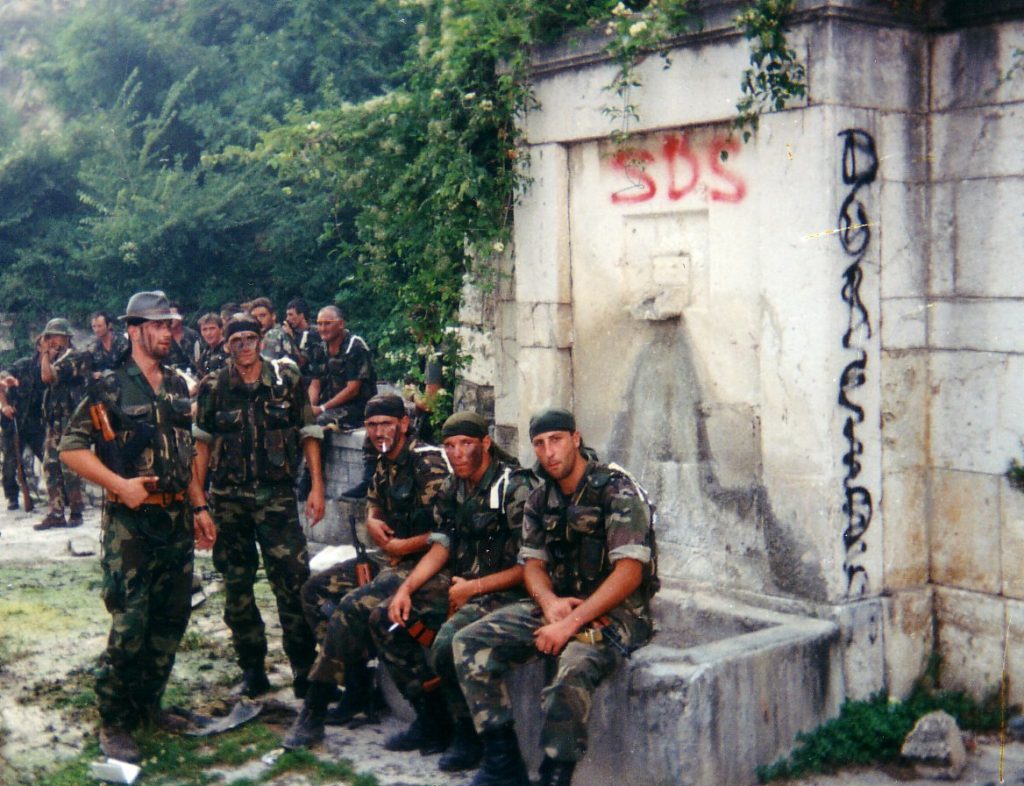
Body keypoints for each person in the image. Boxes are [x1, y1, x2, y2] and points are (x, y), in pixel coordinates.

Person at [452, 408, 658, 786]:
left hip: (616, 614)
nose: (548, 452)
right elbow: (532, 564)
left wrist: (570, 624)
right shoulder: (539, 497)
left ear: (575, 439)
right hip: (560, 605)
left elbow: (630, 573)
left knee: (571, 669)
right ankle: (503, 763)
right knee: (469, 641)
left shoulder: (616, 490)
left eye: (556, 440)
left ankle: (555, 775)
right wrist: (549, 604)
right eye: (539, 443)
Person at [59, 290, 211, 763]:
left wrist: (200, 507)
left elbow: (185, 453)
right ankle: (115, 719)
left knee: (171, 617)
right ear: (134, 330)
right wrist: (119, 485)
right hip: (130, 525)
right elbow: (70, 448)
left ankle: (149, 705)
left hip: (176, 519)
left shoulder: (177, 384)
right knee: (131, 624)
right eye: (159, 325)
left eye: (172, 324)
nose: (169, 332)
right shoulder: (109, 387)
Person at [283, 393, 449, 750]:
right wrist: (373, 520)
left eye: (386, 423)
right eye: (372, 425)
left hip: (427, 566)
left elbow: (447, 532)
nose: (378, 432)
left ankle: (314, 708)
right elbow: (374, 502)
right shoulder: (383, 459)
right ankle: (357, 686)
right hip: (392, 560)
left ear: (404, 423)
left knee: (352, 607)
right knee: (315, 591)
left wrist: (402, 547)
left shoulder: (427, 463)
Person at [382, 411, 537, 772]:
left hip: (509, 591)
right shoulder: (454, 487)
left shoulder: (514, 488)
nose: (457, 453)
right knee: (387, 619)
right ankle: (432, 719)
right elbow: (442, 545)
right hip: (464, 585)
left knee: (448, 643)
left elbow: (531, 566)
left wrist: (474, 588)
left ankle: (468, 732)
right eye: (450, 446)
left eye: (466, 444)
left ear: (485, 443)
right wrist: (406, 589)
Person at [190, 313, 326, 699]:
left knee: (293, 584)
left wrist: (317, 487)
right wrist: (198, 504)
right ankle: (252, 669)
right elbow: (201, 445)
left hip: (277, 500)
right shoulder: (214, 387)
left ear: (261, 340)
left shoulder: (287, 380)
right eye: (236, 341)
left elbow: (309, 432)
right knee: (237, 587)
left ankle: (304, 669)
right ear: (227, 346)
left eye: (250, 338)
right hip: (229, 501)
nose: (244, 346)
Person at [308, 305, 377, 498]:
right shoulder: (320, 347)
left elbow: (353, 389)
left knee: (322, 422)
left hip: (359, 406)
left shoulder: (355, 347)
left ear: (341, 324)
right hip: (332, 405)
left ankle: (311, 478)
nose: (322, 328)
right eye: (319, 324)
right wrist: (310, 407)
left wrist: (322, 408)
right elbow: (315, 383)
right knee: (302, 419)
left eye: (327, 323)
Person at [37, 318, 88, 530]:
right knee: (50, 465)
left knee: (70, 467)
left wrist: (45, 354)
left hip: (71, 419)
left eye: (53, 336)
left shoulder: (75, 357)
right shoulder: (55, 358)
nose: (50, 340)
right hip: (55, 420)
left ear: (66, 338)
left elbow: (47, 377)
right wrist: (46, 355)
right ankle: (56, 512)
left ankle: (76, 510)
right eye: (48, 337)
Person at [0, 336, 48, 511]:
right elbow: (2, 379)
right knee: (11, 462)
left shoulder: (51, 368)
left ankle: (59, 495)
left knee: (48, 457)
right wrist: (4, 406)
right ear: (38, 348)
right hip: (14, 419)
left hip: (35, 423)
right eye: (46, 345)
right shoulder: (23, 364)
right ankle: (12, 497)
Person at [248, 297, 300, 365]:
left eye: (262, 315)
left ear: (273, 316)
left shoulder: (274, 334)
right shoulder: (261, 336)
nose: (258, 320)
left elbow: (266, 365)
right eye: (254, 317)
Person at [89, 310, 130, 376]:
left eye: (99, 326)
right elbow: (96, 368)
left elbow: (128, 365)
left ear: (109, 325)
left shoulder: (122, 341)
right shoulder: (95, 348)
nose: (96, 330)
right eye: (94, 326)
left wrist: (105, 373)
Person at [195, 312, 228, 377]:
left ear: (221, 329)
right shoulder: (205, 353)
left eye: (212, 328)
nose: (208, 333)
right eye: (204, 329)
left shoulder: (228, 349)